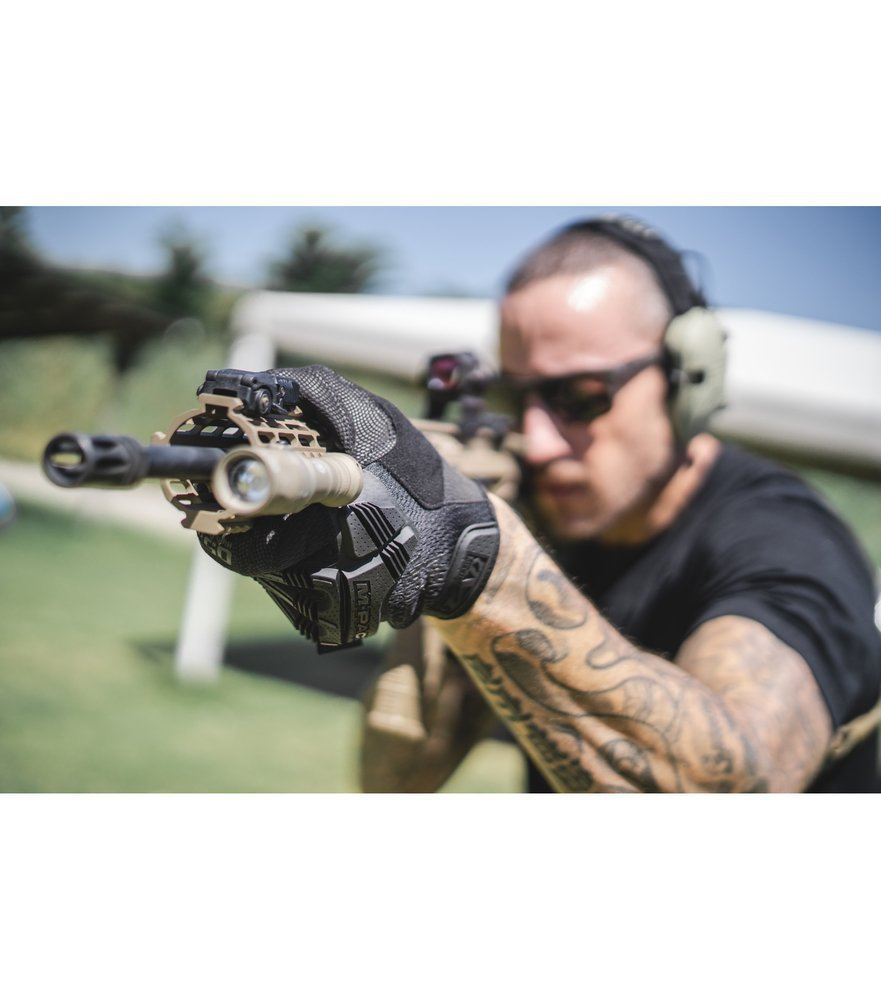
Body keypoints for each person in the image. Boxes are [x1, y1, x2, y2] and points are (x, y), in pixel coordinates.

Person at [200, 215, 881, 793]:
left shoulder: (786, 538)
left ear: (688, 380)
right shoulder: (541, 505)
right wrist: (425, 574)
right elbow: (394, 780)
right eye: (514, 397)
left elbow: (734, 789)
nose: (540, 439)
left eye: (578, 397)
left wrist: (479, 563)